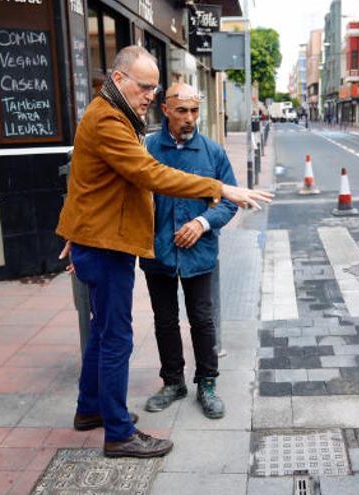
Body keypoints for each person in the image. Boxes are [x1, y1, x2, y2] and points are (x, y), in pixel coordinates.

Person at [56, 45, 272, 459]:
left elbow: (87, 183)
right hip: (109, 245)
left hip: (108, 241)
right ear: (119, 80)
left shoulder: (122, 119)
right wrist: (219, 187)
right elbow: (147, 173)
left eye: (155, 89)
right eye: (146, 88)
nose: (149, 97)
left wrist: (74, 230)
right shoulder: (112, 121)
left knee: (111, 331)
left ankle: (92, 408)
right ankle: (119, 433)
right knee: (117, 337)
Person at [139, 83, 238, 420]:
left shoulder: (213, 152)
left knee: (202, 320)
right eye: (182, 110)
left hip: (200, 253)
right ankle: (173, 382)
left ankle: (207, 383)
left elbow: (229, 200)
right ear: (164, 109)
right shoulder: (147, 150)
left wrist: (202, 223)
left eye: (194, 111)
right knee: (165, 321)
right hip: (158, 252)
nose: (189, 118)